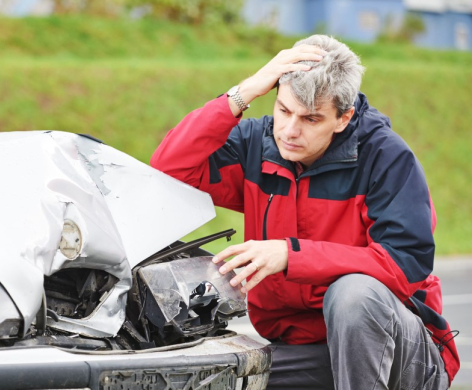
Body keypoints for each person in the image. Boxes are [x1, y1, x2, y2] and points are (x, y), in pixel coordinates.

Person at [150, 35, 459, 389]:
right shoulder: (257, 144)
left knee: (354, 294)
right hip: (306, 354)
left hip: (404, 359)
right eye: (283, 111)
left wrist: (290, 255)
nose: (290, 131)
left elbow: (404, 266)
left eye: (311, 119)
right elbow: (169, 169)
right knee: (211, 379)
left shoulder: (387, 158)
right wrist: (243, 93)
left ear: (343, 118)